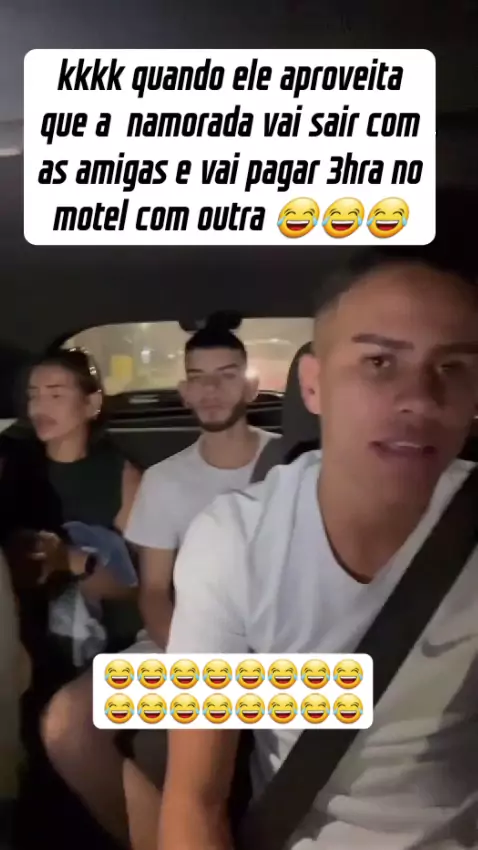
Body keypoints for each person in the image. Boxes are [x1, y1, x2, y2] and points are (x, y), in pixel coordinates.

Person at [160, 250, 478, 850]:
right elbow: (194, 800)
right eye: (379, 362)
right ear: (313, 384)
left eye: (453, 367)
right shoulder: (234, 542)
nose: (421, 399)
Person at [40, 324, 278, 847]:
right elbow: (152, 590)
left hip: (279, 645)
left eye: (226, 375)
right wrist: (194, 662)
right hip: (182, 641)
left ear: (250, 387)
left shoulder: (296, 465)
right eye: (198, 377)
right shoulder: (167, 480)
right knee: (67, 724)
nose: (211, 389)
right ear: (185, 391)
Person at [0, 347, 141, 680]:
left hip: (104, 641)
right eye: (33, 395)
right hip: (21, 633)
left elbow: (135, 586)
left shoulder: (121, 475)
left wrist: (69, 560)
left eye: (55, 395)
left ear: (91, 404)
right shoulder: (13, 464)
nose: (39, 407)